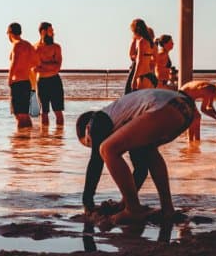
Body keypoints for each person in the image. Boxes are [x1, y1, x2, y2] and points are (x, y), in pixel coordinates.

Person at [77, 88, 197, 224]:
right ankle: (167, 209)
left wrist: (87, 202)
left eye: (89, 143)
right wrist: (123, 203)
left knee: (106, 149)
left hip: (164, 107)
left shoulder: (97, 120)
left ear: (87, 129)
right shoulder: (126, 119)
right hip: (185, 109)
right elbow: (141, 170)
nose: (93, 145)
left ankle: (133, 210)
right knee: (149, 152)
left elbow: (96, 162)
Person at [6, 22, 38, 128]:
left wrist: (9, 79)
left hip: (17, 82)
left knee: (18, 115)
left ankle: (20, 141)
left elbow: (13, 64)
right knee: (24, 114)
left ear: (10, 33)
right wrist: (25, 66)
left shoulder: (17, 45)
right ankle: (27, 137)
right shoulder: (28, 45)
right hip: (26, 82)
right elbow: (36, 62)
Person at [33, 21, 65, 126]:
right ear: (43, 32)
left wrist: (43, 66)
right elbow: (34, 68)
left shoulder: (56, 47)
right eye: (51, 31)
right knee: (44, 112)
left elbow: (57, 68)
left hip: (55, 81)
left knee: (58, 112)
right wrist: (51, 65)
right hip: (41, 82)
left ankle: (59, 138)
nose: (53, 33)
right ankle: (44, 140)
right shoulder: (35, 48)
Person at [128, 19, 157, 92]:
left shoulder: (142, 42)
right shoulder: (151, 43)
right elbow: (154, 61)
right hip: (150, 76)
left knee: (139, 102)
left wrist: (134, 79)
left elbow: (139, 61)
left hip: (142, 77)